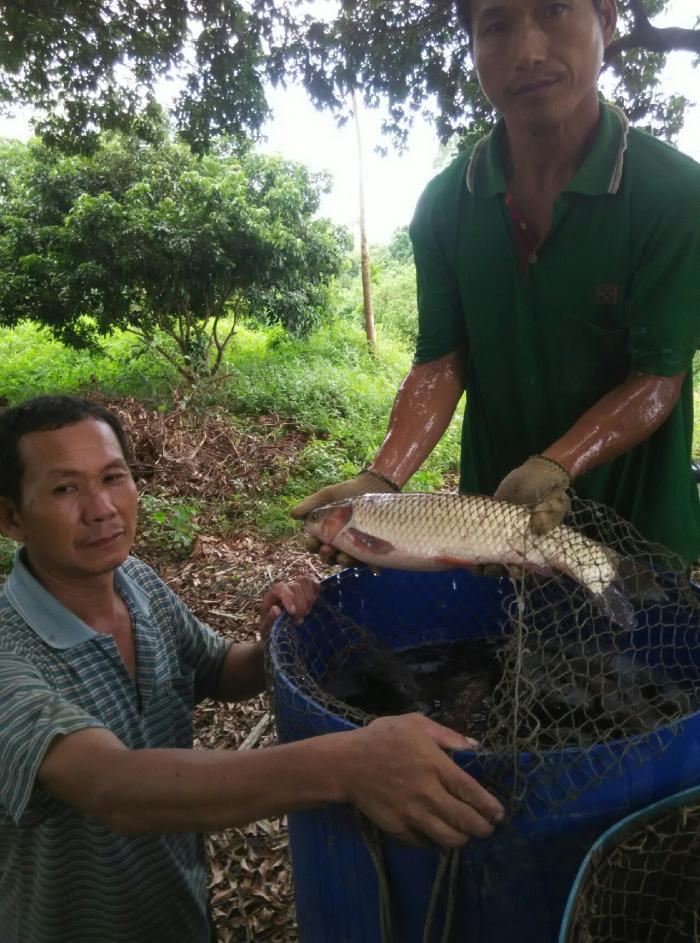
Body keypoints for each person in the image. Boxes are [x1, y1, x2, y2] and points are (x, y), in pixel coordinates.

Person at [0, 394, 503, 943]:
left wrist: (274, 642)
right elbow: (112, 788)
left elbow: (217, 670)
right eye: (64, 488)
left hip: (179, 913)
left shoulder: (135, 583)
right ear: (10, 517)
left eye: (113, 477)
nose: (101, 508)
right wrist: (348, 764)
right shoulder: (10, 655)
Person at [293, 0, 700, 568]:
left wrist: (556, 465)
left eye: (554, 11)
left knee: (637, 642)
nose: (528, 52)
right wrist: (380, 477)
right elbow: (441, 361)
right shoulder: (443, 206)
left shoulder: (675, 194)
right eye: (497, 25)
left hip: (642, 528)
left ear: (605, 20)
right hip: (488, 532)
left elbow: (658, 378)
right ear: (474, 46)